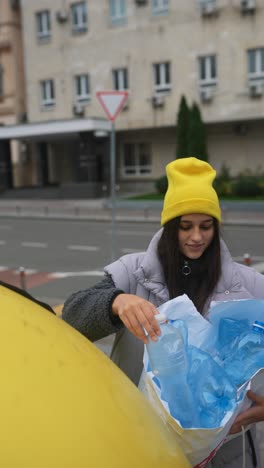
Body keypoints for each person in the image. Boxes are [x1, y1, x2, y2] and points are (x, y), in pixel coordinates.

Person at [62, 157, 264, 468]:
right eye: (185, 226)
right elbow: (73, 315)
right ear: (170, 226)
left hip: (228, 451)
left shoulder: (248, 284)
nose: (196, 237)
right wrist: (115, 302)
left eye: (206, 226)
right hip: (142, 443)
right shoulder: (133, 272)